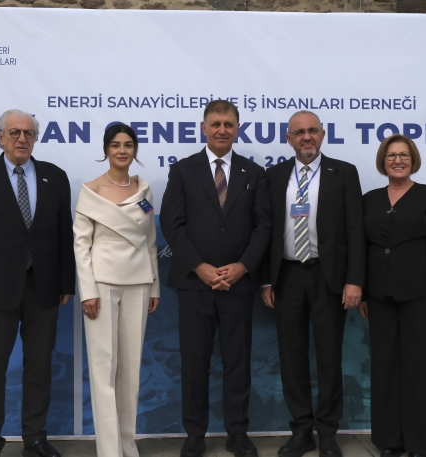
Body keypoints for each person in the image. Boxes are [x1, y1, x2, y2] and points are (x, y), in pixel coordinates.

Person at [0, 109, 76, 457]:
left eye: (28, 133)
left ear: (35, 138)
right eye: (14, 132)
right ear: (0, 137)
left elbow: (63, 234)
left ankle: (35, 438)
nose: (22, 138)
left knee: (39, 367)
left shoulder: (55, 176)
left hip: (44, 287)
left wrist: (66, 282)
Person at [160, 100, 271, 457]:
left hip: (238, 284)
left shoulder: (254, 173)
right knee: (195, 362)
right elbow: (172, 224)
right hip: (196, 284)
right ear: (204, 128)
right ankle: (195, 434)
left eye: (228, 124)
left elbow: (263, 227)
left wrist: (242, 266)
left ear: (237, 128)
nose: (222, 129)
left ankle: (237, 433)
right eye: (216, 123)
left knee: (238, 362)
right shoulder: (183, 171)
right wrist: (200, 266)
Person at [260, 110, 365, 457]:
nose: (307, 137)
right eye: (299, 132)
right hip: (287, 276)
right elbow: (266, 231)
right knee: (291, 356)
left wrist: (355, 280)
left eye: (313, 131)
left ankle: (328, 432)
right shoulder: (274, 176)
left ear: (322, 135)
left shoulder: (344, 173)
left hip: (328, 275)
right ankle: (302, 430)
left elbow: (355, 230)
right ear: (289, 139)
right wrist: (266, 280)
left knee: (329, 355)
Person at [358, 134, 426, 457]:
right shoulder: (369, 199)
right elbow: (362, 247)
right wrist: (363, 292)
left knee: (420, 369)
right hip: (379, 295)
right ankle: (390, 441)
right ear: (382, 161)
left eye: (403, 155)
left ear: (413, 160)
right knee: (384, 368)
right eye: (391, 155)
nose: (397, 160)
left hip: (421, 294)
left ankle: (419, 443)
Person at [73, 123, 160, 457]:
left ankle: (127, 445)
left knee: (131, 369)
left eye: (128, 144)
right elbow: (81, 245)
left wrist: (154, 285)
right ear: (105, 150)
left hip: (139, 283)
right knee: (103, 368)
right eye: (115, 144)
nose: (122, 150)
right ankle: (109, 451)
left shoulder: (144, 190)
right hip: (102, 284)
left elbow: (150, 241)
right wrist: (88, 291)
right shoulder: (90, 190)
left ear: (135, 149)